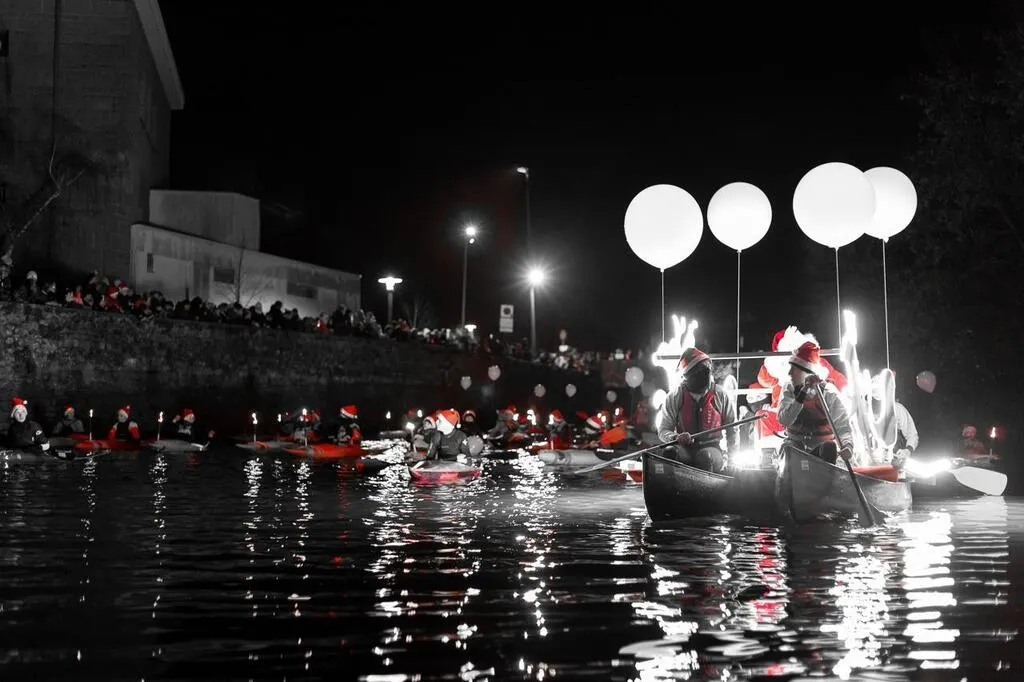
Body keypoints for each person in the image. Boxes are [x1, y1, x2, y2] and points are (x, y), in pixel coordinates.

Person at [656, 347, 737, 472]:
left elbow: (732, 430)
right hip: (684, 449)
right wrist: (675, 438)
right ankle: (673, 487)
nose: (704, 375)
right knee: (670, 452)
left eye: (706, 371)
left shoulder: (721, 395)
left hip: (712, 450)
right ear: (686, 376)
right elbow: (663, 430)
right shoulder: (675, 396)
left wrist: (732, 463)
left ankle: (707, 489)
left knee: (705, 457)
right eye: (698, 372)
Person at [777, 342, 855, 466]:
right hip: (795, 444)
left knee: (829, 448)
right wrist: (802, 394)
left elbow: (842, 426)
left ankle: (826, 480)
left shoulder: (829, 392)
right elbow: (784, 420)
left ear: (806, 372)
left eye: (794, 369)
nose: (789, 373)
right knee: (787, 449)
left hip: (820, 447)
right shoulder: (789, 388)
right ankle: (789, 481)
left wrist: (848, 446)